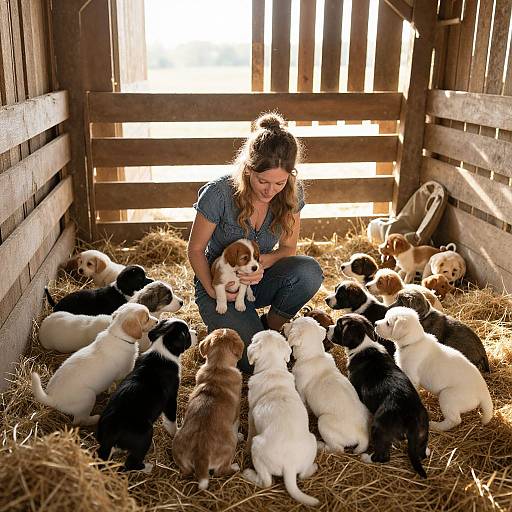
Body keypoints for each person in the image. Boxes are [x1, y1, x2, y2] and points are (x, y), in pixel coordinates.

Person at [188, 112, 324, 372]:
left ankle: (271, 330)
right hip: (220, 282)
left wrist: (262, 263)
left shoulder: (291, 192)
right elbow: (194, 250)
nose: (270, 190)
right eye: (262, 181)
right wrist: (215, 290)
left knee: (308, 271)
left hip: (258, 279)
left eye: (279, 183)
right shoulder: (218, 193)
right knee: (252, 359)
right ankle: (246, 326)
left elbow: (288, 249)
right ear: (248, 169)